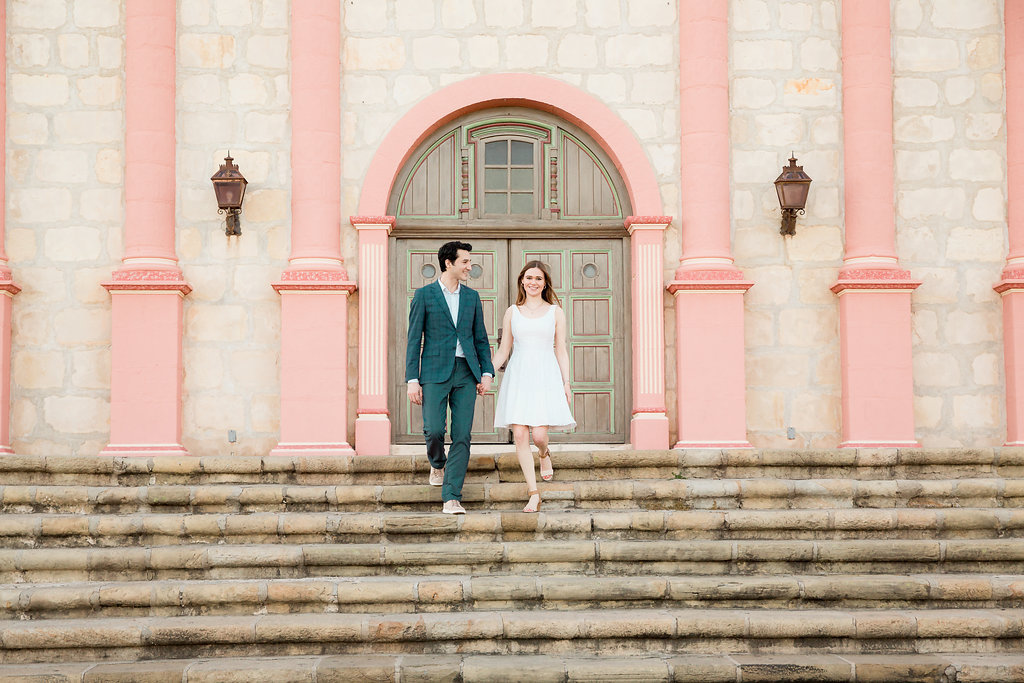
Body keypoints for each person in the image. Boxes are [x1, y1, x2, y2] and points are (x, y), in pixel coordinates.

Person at [406, 241, 494, 514]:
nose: (470, 266)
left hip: (466, 373)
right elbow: (413, 340)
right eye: (465, 262)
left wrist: (487, 371)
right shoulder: (424, 295)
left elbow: (480, 338)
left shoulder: (472, 297)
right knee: (433, 430)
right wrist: (412, 378)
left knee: (462, 435)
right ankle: (436, 462)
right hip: (433, 372)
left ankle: (452, 496)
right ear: (449, 263)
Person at [491, 260, 575, 513]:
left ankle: (544, 453)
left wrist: (566, 382)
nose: (533, 283)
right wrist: (485, 374)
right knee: (519, 435)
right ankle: (533, 492)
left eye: (538, 278)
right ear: (522, 281)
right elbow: (504, 349)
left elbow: (560, 348)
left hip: (545, 376)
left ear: (545, 283)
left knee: (538, 435)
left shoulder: (555, 312)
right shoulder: (512, 312)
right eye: (529, 278)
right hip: (519, 376)